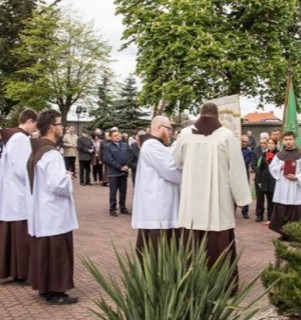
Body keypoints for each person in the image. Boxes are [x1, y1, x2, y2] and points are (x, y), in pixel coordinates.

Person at [173, 102, 251, 276]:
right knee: (217, 237)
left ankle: (190, 281)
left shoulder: (185, 135)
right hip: (218, 200)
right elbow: (236, 170)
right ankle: (221, 284)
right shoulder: (227, 136)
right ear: (217, 116)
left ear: (200, 114)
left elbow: (176, 162)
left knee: (191, 237)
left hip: (191, 202)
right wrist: (242, 199)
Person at [27, 109, 79, 305]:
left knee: (46, 252)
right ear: (51, 128)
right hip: (53, 211)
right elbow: (57, 184)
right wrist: (67, 176)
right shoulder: (51, 153)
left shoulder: (37, 150)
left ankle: (46, 287)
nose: (62, 128)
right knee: (57, 252)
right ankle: (56, 291)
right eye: (59, 124)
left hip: (43, 209)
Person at [0, 109, 37, 282]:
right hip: (19, 194)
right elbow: (22, 169)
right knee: (21, 235)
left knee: (14, 234)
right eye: (35, 124)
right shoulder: (21, 140)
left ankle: (15, 270)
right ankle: (22, 271)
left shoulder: (14, 138)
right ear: (30, 121)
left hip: (12, 193)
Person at [132, 116, 182, 252]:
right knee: (157, 252)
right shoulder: (152, 146)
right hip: (158, 210)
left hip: (160, 208)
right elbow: (171, 171)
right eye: (169, 128)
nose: (171, 132)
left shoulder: (157, 145)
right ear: (160, 128)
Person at [268, 131, 301, 240]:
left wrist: (297, 176)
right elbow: (272, 167)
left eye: (290, 139)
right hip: (282, 186)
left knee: (295, 212)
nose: (288, 142)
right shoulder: (279, 155)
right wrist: (280, 167)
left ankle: (296, 235)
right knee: (282, 210)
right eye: (286, 139)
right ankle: (284, 234)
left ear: (294, 140)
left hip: (294, 186)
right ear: (283, 140)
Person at [103, 130, 131, 217]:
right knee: (113, 192)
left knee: (123, 192)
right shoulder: (107, 146)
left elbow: (130, 156)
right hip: (113, 173)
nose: (118, 137)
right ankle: (112, 209)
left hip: (124, 172)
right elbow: (108, 160)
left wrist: (127, 165)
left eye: (118, 135)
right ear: (111, 137)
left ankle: (123, 207)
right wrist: (120, 167)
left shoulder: (125, 145)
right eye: (115, 136)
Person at [251, 138, 277, 222]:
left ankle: (271, 216)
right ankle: (259, 215)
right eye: (269, 143)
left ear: (275, 144)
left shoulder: (279, 154)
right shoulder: (264, 154)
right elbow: (260, 168)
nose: (270, 145)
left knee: (271, 199)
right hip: (263, 179)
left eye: (272, 143)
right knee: (260, 199)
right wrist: (259, 181)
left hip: (272, 180)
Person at [240, 134, 254, 219]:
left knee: (245, 193)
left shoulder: (249, 152)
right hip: (234, 175)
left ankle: (245, 212)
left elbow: (245, 163)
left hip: (244, 175)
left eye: (246, 142)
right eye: (242, 141)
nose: (244, 143)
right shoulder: (235, 149)